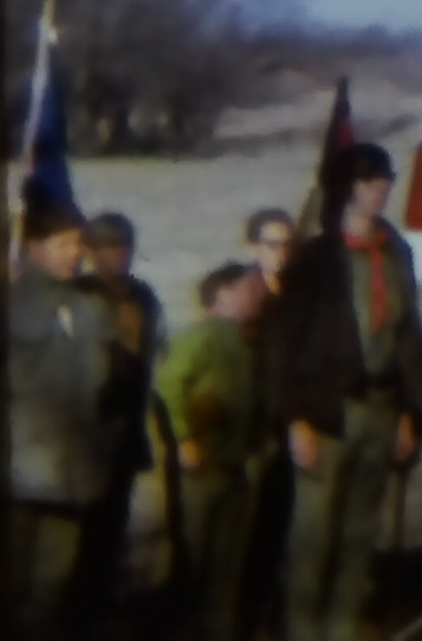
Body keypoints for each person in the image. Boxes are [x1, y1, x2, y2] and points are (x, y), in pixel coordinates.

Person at [267, 144, 422, 641]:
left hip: (383, 408)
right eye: (368, 181)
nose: (380, 190)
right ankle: (303, 630)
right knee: (314, 535)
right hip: (327, 412)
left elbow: (409, 335)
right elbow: (282, 348)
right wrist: (296, 420)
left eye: (385, 180)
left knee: (360, 534)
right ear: (346, 189)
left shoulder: (396, 251)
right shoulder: (315, 259)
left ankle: (342, 629)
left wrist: (412, 410)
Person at [5, 198, 113, 641]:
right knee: (8, 587)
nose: (74, 253)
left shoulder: (91, 306)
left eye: (77, 244)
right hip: (18, 475)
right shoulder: (8, 302)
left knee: (53, 589)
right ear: (33, 247)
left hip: (74, 476)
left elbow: (103, 384)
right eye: (62, 243)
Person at [155, 261, 269, 641]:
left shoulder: (250, 343)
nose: (259, 295)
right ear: (222, 294)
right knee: (194, 559)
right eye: (250, 288)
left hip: (236, 468)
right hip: (202, 466)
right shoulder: (201, 336)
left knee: (228, 567)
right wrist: (185, 438)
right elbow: (169, 385)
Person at [72, 211, 168, 626]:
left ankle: (101, 608)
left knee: (113, 528)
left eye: (124, 246)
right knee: (81, 535)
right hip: (83, 434)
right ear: (90, 253)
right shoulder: (77, 296)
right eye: (108, 247)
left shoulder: (144, 296)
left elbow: (153, 354)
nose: (118, 255)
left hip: (126, 433)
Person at [235, 207, 300, 629]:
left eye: (287, 245)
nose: (280, 254)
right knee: (248, 540)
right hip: (252, 433)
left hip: (294, 428)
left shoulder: (303, 295)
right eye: (271, 244)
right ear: (254, 247)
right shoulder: (244, 297)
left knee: (286, 533)